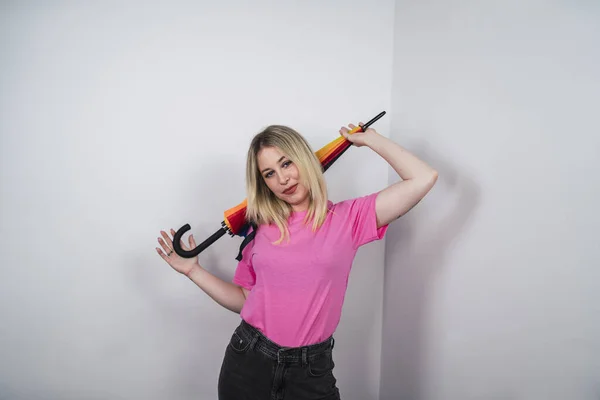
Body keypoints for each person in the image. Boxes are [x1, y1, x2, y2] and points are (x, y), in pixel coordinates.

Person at [156, 122, 438, 400]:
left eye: (287, 163)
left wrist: (370, 140)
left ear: (305, 159)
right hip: (248, 361)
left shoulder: (349, 218)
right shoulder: (259, 228)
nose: (282, 179)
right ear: (263, 183)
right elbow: (245, 299)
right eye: (269, 173)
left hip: (311, 371)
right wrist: (193, 271)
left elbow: (423, 177)